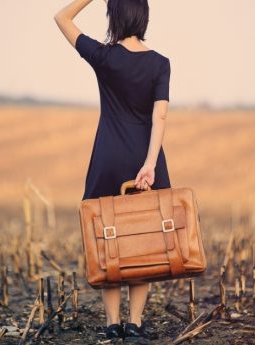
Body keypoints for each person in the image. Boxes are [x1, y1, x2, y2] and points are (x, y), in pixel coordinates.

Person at [54, 0, 171, 341]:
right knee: (144, 243)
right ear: (143, 15)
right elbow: (159, 117)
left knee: (110, 244)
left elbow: (61, 17)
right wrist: (149, 164)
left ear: (114, 15)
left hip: (108, 159)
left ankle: (111, 324)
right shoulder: (160, 64)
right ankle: (134, 324)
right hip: (145, 159)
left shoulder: (103, 57)